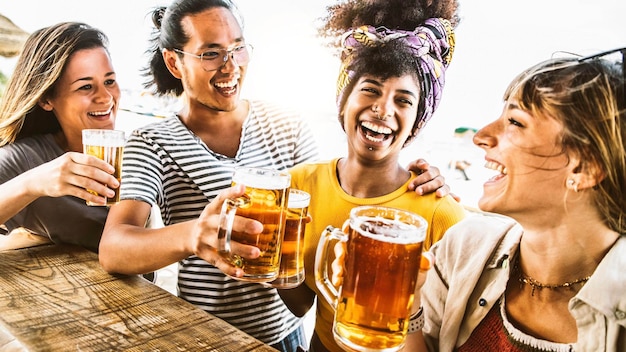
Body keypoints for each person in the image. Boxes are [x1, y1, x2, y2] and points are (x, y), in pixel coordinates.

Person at [97, 0, 452, 350]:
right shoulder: (151, 141)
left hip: (285, 338)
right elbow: (114, 248)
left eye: (238, 49)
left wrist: (408, 181)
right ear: (174, 61)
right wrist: (193, 236)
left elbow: (324, 222)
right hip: (203, 334)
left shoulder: (287, 125)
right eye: (211, 53)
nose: (230, 66)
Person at [404, 47, 625, 351]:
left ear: (585, 167)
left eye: (515, 122)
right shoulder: (462, 248)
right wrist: (405, 302)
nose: (481, 136)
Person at [276, 0, 465, 350]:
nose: (383, 108)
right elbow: (301, 304)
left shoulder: (440, 212)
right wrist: (275, 258)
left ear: (417, 122)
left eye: (404, 101)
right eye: (371, 90)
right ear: (343, 101)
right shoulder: (302, 183)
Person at [0, 22, 121, 253]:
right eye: (86, 86)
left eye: (109, 81)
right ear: (46, 99)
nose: (105, 97)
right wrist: (32, 184)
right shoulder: (26, 159)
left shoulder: (138, 152)